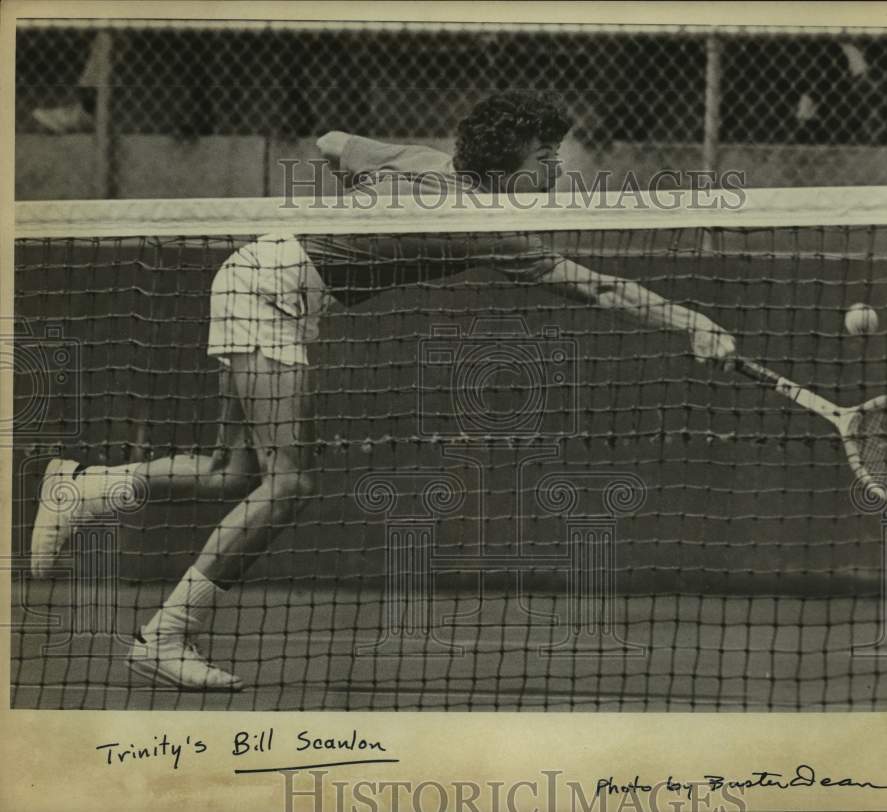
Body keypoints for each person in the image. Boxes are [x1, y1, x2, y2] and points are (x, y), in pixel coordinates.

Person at [30, 90, 736, 691]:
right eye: (546, 156)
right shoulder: (483, 228)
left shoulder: (427, 165)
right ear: (509, 169)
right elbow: (600, 287)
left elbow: (332, 142)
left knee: (232, 473)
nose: (558, 166)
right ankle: (165, 635)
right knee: (290, 483)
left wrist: (363, 208)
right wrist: (694, 322)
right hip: (273, 289)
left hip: (267, 271)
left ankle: (84, 488)